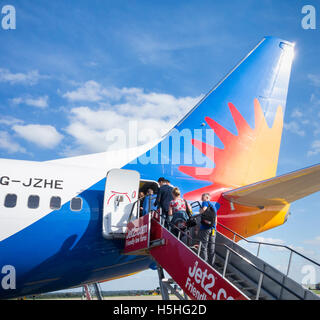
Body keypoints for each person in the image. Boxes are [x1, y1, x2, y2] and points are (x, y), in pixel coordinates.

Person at [198, 193, 217, 264]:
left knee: (204, 246)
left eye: (202, 197)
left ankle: (204, 263)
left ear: (207, 197)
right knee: (212, 248)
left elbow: (203, 209)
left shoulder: (205, 202)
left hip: (205, 228)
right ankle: (211, 264)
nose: (201, 199)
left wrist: (200, 210)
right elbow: (216, 219)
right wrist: (214, 228)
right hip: (213, 229)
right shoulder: (214, 207)